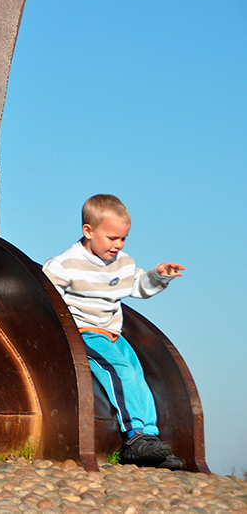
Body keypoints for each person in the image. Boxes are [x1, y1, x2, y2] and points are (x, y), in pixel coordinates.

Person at [42, 194, 185, 469]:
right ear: (88, 231)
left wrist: (159, 275)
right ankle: (135, 437)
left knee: (138, 376)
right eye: (111, 238)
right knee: (121, 372)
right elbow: (45, 295)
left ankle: (150, 438)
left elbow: (140, 286)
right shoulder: (65, 264)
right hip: (84, 333)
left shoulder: (123, 263)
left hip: (113, 334)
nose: (117, 245)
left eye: (123, 239)